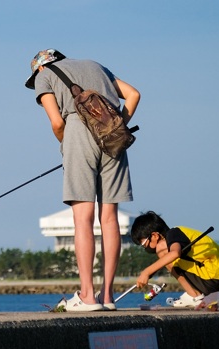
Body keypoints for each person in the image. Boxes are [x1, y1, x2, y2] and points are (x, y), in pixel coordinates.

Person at [25, 49, 140, 312]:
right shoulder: (96, 65)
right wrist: (118, 125)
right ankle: (107, 296)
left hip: (77, 132)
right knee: (110, 218)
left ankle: (87, 296)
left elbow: (56, 123)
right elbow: (134, 94)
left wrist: (68, 146)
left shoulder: (45, 76)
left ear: (40, 68)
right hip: (113, 137)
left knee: (83, 218)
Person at [130, 210, 219, 307]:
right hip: (215, 277)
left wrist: (147, 272)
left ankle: (195, 296)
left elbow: (175, 253)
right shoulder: (176, 234)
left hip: (211, 276)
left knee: (162, 250)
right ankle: (196, 295)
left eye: (144, 244)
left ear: (155, 235)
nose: (145, 248)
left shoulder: (173, 234)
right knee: (167, 256)